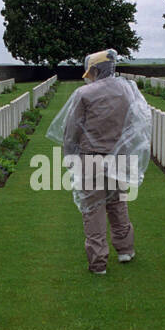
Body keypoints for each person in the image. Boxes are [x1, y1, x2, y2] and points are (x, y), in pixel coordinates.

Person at [46, 49, 151, 275]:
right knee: (117, 203)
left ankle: (98, 262)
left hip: (91, 157)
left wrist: (69, 157)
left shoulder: (85, 94)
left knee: (93, 208)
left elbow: (71, 130)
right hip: (120, 157)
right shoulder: (127, 90)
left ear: (94, 70)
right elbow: (136, 125)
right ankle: (125, 250)